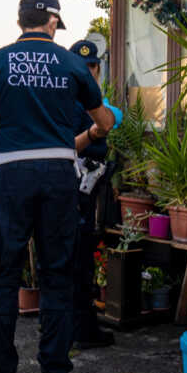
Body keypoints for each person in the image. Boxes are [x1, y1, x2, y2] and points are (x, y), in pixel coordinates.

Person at [0, 0, 114, 373]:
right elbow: (104, 121)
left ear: (21, 20)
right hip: (58, 177)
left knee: (3, 279)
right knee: (57, 278)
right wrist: (91, 132)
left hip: (12, 176)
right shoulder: (73, 64)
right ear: (52, 22)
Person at [69, 39, 124, 350]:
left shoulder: (94, 99)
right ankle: (80, 328)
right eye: (83, 66)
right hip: (75, 185)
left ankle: (78, 324)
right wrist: (93, 133)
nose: (89, 71)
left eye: (92, 66)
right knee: (77, 257)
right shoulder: (69, 100)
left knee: (84, 255)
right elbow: (67, 147)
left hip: (91, 185)